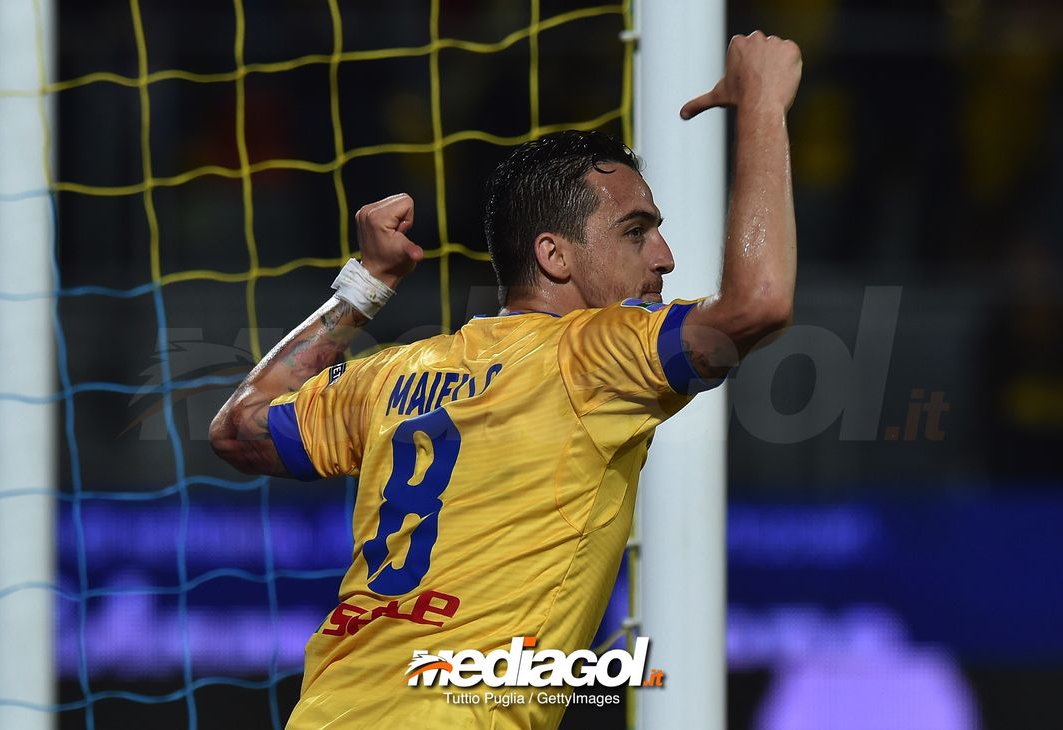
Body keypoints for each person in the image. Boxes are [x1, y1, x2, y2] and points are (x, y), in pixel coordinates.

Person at [211, 31, 801, 730]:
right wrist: (763, 102)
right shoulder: (594, 355)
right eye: (637, 231)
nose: (666, 258)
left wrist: (366, 283)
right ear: (554, 255)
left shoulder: (394, 372)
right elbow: (758, 302)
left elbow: (238, 426)